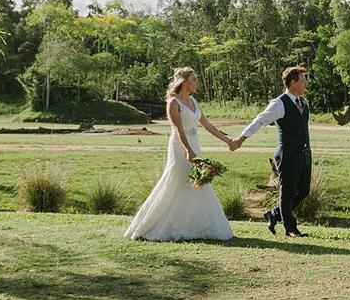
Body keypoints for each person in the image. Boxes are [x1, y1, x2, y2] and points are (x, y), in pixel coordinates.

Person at [124, 67, 234, 241]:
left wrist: (228, 141)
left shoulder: (194, 101)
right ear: (184, 82)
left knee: (197, 183)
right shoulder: (173, 103)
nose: (196, 82)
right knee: (177, 181)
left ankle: (195, 225)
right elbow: (178, 130)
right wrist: (188, 150)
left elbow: (207, 125)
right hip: (180, 147)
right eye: (194, 79)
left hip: (195, 145)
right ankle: (156, 224)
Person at [229, 65, 311, 238]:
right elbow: (259, 121)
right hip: (287, 155)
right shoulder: (279, 103)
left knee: (303, 191)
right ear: (293, 82)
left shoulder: (303, 102)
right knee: (287, 193)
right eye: (303, 80)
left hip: (304, 155)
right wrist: (240, 139)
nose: (306, 84)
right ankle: (290, 228)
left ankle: (274, 214)